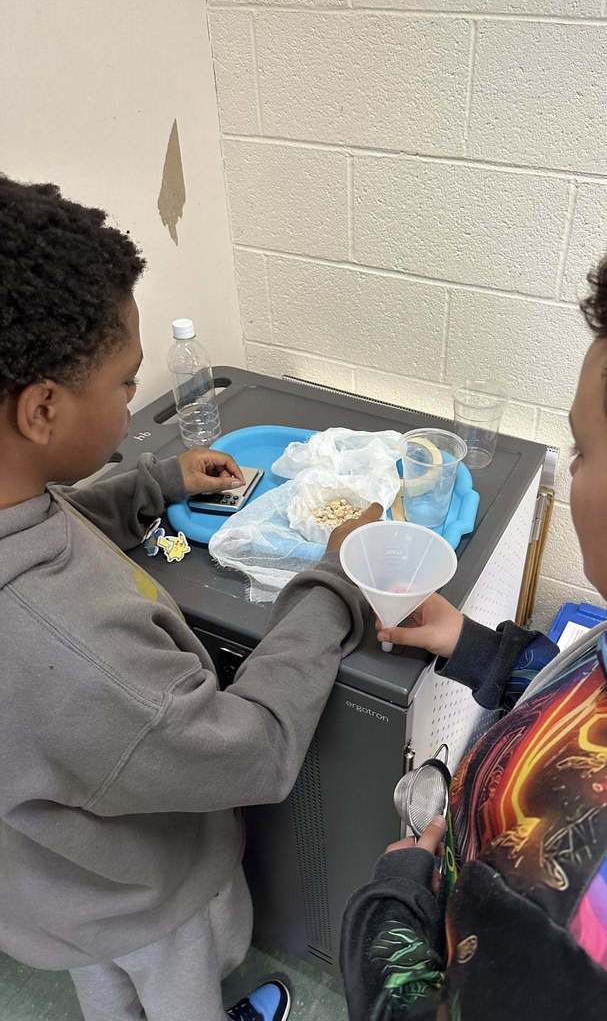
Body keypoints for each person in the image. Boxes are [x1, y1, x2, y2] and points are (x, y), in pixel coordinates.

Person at [341, 206, 607, 1021]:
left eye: (581, 451)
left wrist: (392, 899)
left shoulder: (575, 934)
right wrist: (477, 649)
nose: (573, 472)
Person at [0, 174, 380, 1021]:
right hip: (144, 899)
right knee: (178, 993)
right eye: (127, 386)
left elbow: (47, 518)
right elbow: (253, 749)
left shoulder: (17, 504)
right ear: (43, 409)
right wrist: (337, 579)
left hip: (46, 888)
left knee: (104, 989)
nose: (136, 402)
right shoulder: (86, 658)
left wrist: (153, 483)